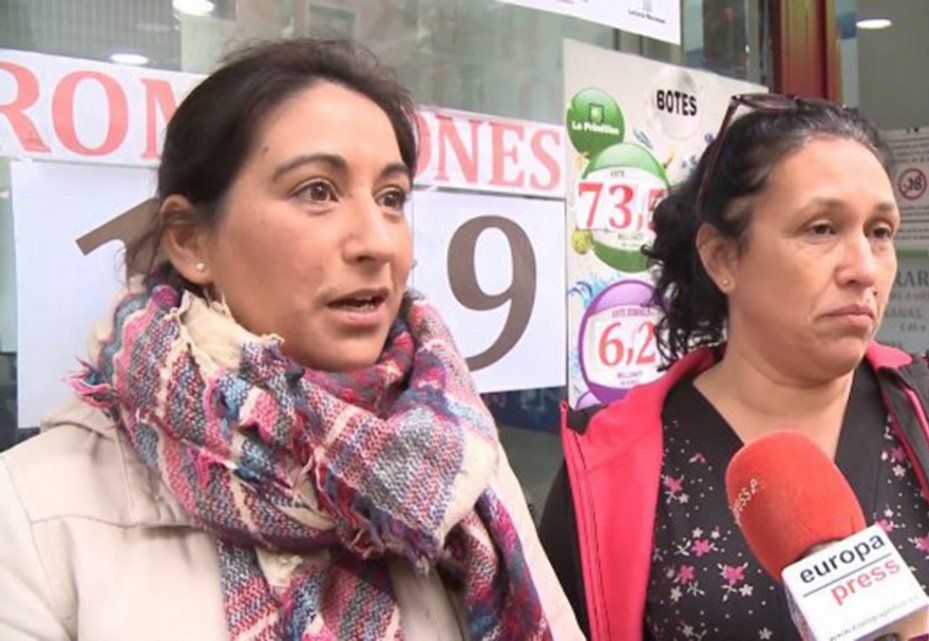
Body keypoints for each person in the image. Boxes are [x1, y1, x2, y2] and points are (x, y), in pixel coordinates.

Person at [0, 39, 582, 641]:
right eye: (317, 191)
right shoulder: (34, 513)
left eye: (391, 199)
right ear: (191, 241)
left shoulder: (462, 456)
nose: (376, 242)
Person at [539, 94, 929, 641]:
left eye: (880, 232)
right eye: (821, 229)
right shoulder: (610, 462)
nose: (865, 269)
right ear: (722, 257)